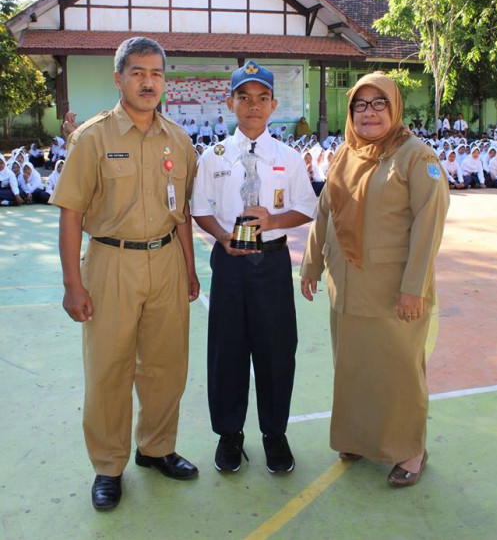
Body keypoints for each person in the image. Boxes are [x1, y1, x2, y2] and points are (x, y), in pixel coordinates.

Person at [49, 36, 200, 511]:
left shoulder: (179, 139)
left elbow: (183, 212)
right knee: (109, 368)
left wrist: (190, 269)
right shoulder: (92, 138)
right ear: (119, 79)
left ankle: (156, 448)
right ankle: (108, 466)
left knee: (166, 365)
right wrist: (72, 284)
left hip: (167, 261)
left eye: (156, 73)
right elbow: (71, 212)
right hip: (111, 262)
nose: (148, 82)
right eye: (138, 73)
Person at [300, 72, 449, 488]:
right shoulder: (345, 154)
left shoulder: (415, 157)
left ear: (394, 107)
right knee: (353, 368)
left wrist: (414, 288)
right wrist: (311, 265)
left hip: (392, 290)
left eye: (379, 103)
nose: (369, 113)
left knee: (398, 371)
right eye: (360, 105)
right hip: (346, 286)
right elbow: (325, 212)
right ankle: (358, 439)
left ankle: (410, 450)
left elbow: (429, 225)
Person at [191, 61, 317, 475]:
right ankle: (229, 434)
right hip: (229, 263)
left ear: (273, 105)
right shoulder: (213, 157)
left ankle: (274, 433)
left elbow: (307, 207)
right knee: (226, 350)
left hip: (272, 263)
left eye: (262, 98)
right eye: (244, 98)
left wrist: (274, 220)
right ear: (230, 103)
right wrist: (221, 236)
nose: (253, 106)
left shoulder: (288, 157)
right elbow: (199, 208)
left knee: (276, 349)